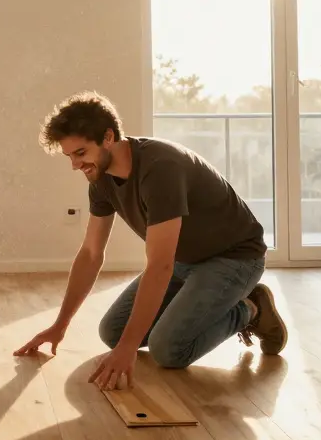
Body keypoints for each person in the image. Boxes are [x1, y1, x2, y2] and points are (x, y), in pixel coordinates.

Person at [15, 91, 288, 389]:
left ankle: (250, 309)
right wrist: (60, 326)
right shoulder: (101, 179)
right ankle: (202, 308)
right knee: (113, 333)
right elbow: (91, 254)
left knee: (168, 350)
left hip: (234, 259)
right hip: (185, 261)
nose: (75, 165)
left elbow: (160, 265)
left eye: (80, 153)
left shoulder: (160, 169)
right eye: (70, 156)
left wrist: (129, 349)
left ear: (108, 137)